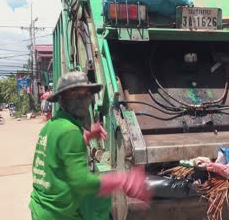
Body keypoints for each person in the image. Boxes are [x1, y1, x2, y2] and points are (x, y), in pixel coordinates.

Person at [29, 71, 150, 220]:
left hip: (41, 209)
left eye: (86, 94)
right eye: (74, 94)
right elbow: (82, 183)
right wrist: (123, 179)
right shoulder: (69, 132)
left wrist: (85, 134)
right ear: (61, 99)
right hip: (58, 215)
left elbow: (60, 155)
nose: (82, 99)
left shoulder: (52, 126)